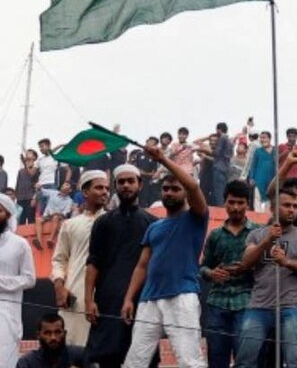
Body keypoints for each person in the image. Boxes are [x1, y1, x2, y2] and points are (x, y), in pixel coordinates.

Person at [119, 145, 210, 368]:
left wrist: (163, 160)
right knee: (134, 362)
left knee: (190, 361)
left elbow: (193, 186)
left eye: (175, 189)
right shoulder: (154, 227)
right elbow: (142, 266)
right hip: (149, 299)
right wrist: (129, 298)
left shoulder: (196, 217)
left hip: (181, 295)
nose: (169, 192)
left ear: (184, 193)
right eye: (165, 188)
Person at [235, 188, 297, 368]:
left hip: (291, 305)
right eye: (286, 205)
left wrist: (287, 262)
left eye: (295, 206)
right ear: (273, 208)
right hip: (258, 305)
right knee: (244, 360)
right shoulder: (256, 234)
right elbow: (245, 263)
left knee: (296, 361)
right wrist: (267, 240)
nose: (292, 210)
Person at [84, 164, 156, 368]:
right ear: (115, 186)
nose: (126, 186)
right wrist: (89, 300)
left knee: (144, 357)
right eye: (121, 182)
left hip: (143, 301)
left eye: (130, 181)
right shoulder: (103, 223)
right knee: (108, 358)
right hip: (108, 300)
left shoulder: (153, 223)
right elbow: (93, 263)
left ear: (140, 185)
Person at [199, 180, 258, 368]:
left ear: (248, 204)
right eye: (231, 202)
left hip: (248, 303)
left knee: (246, 361)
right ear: (224, 203)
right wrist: (211, 273)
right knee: (217, 360)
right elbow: (202, 267)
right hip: (217, 305)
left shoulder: (258, 233)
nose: (235, 207)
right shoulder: (215, 235)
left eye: (240, 202)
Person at [51, 170, 109, 347]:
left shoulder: (114, 221)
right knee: (73, 350)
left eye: (107, 188)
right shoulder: (70, 224)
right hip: (75, 295)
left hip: (107, 295)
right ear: (85, 192)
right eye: (99, 188)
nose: (105, 192)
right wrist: (59, 288)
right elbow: (59, 260)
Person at [0, 191, 35, 367]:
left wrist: (1, 282)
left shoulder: (19, 244)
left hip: (7, 313)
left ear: (7, 214)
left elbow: (30, 279)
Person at [17, 313, 85, 368]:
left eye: (57, 332)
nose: (53, 337)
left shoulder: (81, 355)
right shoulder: (27, 363)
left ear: (64, 333)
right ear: (38, 335)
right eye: (47, 333)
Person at [247, 130, 275, 210]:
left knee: (269, 200)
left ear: (269, 139)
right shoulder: (258, 151)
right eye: (261, 138)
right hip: (259, 179)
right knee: (257, 199)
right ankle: (257, 218)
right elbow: (253, 165)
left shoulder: (275, 151)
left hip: (271, 180)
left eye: (264, 137)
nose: (262, 140)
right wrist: (252, 177)